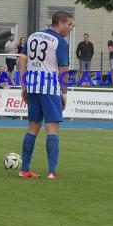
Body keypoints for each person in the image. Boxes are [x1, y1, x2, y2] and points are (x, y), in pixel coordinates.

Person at [17, 11, 74, 180]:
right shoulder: (60, 41)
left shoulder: (33, 36)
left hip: (33, 87)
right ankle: (51, 171)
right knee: (52, 130)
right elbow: (63, 69)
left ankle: (25, 169)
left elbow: (22, 60)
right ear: (61, 23)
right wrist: (64, 93)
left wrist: (24, 85)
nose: (70, 28)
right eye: (69, 24)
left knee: (32, 129)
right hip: (50, 88)